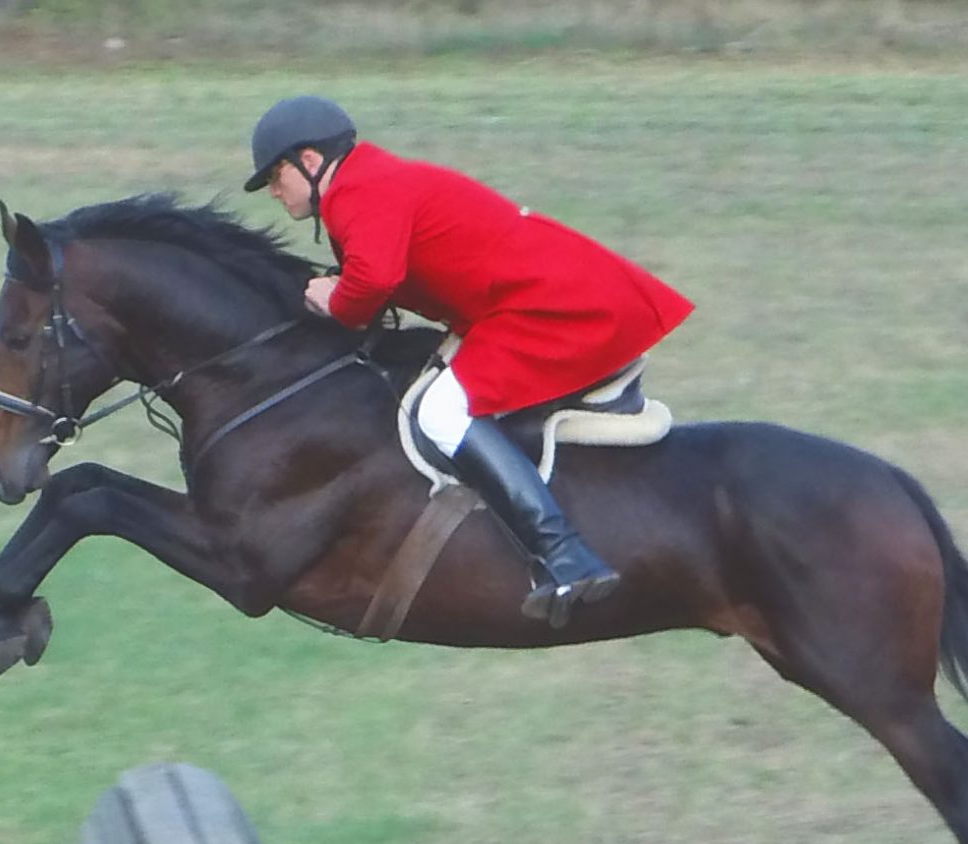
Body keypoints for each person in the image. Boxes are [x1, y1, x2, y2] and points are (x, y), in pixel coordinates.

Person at [243, 95, 694, 628]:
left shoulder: (357, 191)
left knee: (441, 412)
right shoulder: (369, 182)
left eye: (276, 176)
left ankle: (566, 554)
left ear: (310, 162)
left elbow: (374, 282)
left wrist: (335, 299)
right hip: (532, 304)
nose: (274, 190)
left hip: (550, 310)